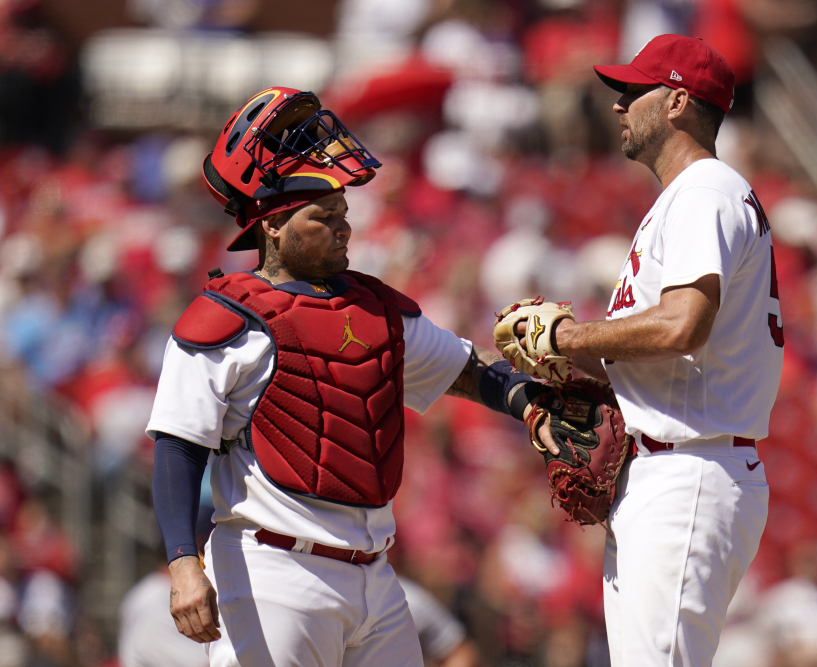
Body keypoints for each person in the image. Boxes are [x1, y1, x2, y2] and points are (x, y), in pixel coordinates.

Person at [146, 87, 545, 667]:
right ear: (274, 226)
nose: (343, 227)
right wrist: (184, 564)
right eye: (323, 216)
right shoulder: (227, 318)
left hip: (377, 576)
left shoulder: (377, 308)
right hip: (271, 572)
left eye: (344, 214)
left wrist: (533, 402)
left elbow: (467, 371)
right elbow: (178, 448)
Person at [523, 35, 783, 666]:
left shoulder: (704, 192)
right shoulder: (693, 195)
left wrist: (567, 337)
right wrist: (563, 374)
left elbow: (682, 326)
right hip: (671, 465)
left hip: (688, 469)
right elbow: (674, 345)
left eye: (633, 92)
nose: (618, 106)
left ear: (676, 103)